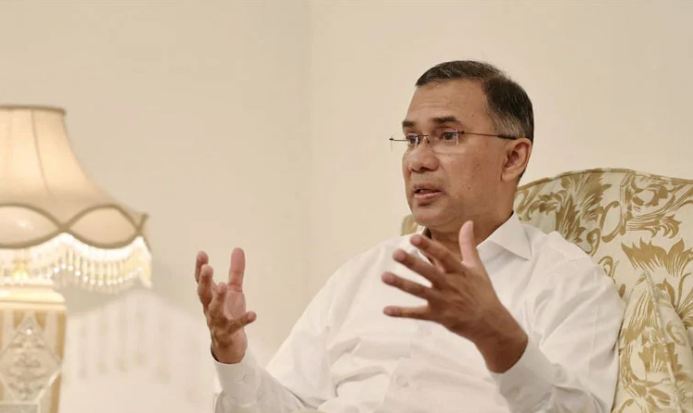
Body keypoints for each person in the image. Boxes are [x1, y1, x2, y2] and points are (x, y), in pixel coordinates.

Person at [194, 61, 624, 413]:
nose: (418, 160)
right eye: (413, 138)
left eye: (447, 136)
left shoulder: (567, 282)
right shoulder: (362, 274)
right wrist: (232, 357)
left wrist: (497, 335)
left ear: (513, 158)